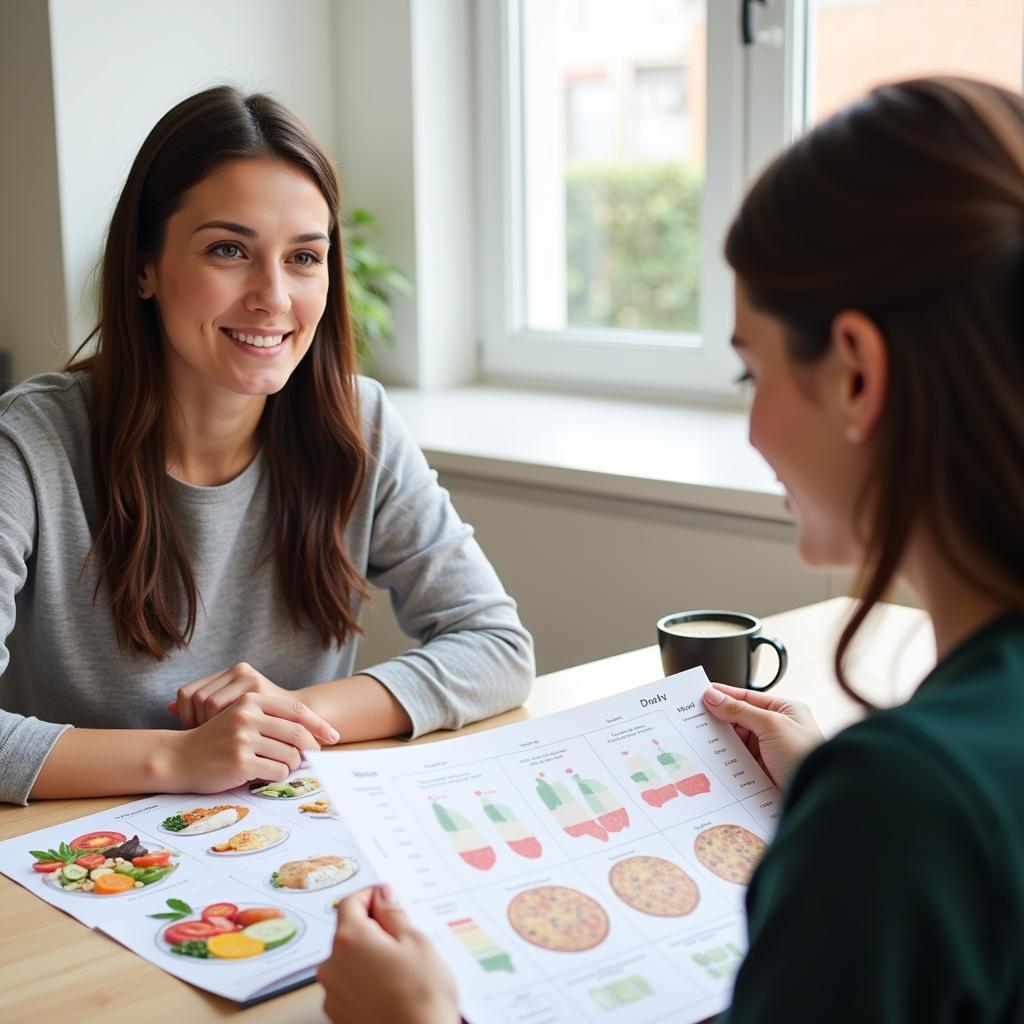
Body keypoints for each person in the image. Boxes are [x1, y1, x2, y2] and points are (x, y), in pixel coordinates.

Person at [317, 75, 1024, 1023]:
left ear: (856, 374)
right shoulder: (906, 794)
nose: (752, 424)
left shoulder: (898, 807)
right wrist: (832, 787)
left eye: (751, 368)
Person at [0, 86, 534, 806]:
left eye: (305, 257)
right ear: (144, 267)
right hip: (71, 863)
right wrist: (180, 758)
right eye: (229, 250)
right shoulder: (29, 446)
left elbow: (497, 648)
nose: (274, 296)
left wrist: (284, 719)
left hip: (283, 841)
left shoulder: (359, 421)